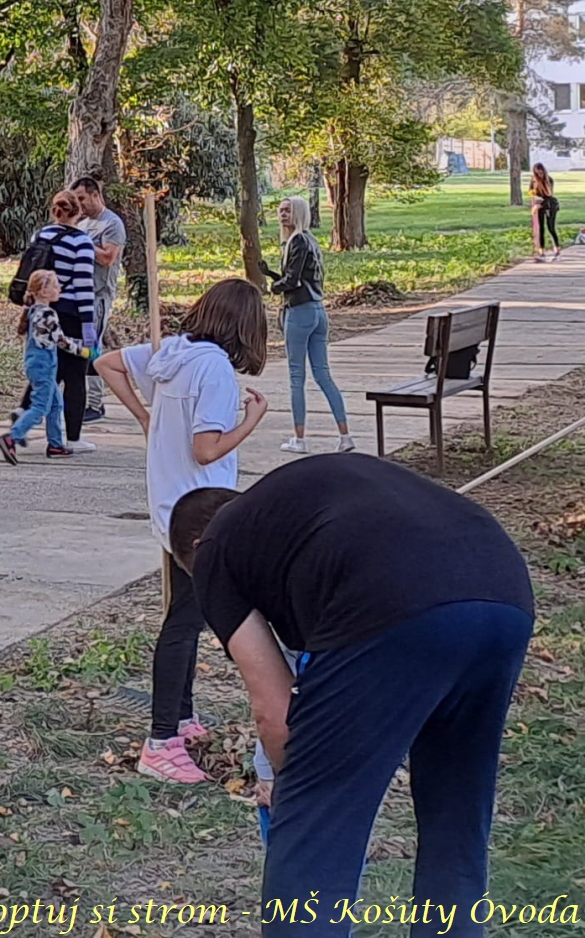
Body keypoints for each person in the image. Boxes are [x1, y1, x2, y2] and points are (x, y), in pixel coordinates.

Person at [168, 454, 534, 933]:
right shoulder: (293, 514)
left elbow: (275, 712)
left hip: (390, 596)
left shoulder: (216, 549)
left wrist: (289, 787)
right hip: (503, 586)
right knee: (456, 815)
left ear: (196, 547)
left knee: (316, 827)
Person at [95, 278, 269, 783]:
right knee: (185, 621)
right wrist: (253, 418)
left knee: (185, 613)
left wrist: (147, 417)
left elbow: (107, 363)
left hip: (171, 503)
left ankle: (184, 715)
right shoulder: (214, 370)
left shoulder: (172, 351)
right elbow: (207, 449)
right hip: (202, 511)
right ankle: (162, 740)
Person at [260, 196, 352, 456]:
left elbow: (292, 281)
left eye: (288, 210)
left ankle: (299, 439)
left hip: (299, 313)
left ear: (299, 213)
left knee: (296, 377)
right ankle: (345, 435)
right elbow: (302, 279)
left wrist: (273, 286)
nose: (283, 215)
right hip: (318, 311)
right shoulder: (311, 241)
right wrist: (272, 275)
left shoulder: (297, 241)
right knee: (323, 375)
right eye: (280, 210)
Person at [12, 191, 98, 453]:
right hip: (70, 312)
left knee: (51, 370)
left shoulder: (41, 235)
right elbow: (84, 286)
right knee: (75, 376)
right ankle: (73, 437)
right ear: (78, 212)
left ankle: (22, 412)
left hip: (41, 308)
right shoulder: (83, 242)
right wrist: (89, 326)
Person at [0, 270, 98, 464]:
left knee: (56, 405)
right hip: (44, 365)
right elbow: (61, 341)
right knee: (41, 406)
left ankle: (55, 444)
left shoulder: (34, 310)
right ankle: (12, 437)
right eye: (55, 285)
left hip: (39, 364)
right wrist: (85, 352)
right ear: (43, 290)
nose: (59, 289)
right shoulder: (48, 314)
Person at [72, 177, 127, 423]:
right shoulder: (83, 225)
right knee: (78, 349)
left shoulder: (112, 224)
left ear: (95, 194)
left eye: (82, 198)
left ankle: (95, 403)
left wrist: (83, 243)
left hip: (99, 296)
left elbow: (107, 257)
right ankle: (79, 399)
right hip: (78, 296)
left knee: (91, 348)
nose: (79, 204)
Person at [529, 163, 560, 262]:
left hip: (550, 205)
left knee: (551, 228)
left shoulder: (549, 180)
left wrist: (540, 204)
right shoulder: (533, 180)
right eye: (537, 173)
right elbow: (530, 191)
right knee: (540, 229)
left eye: (541, 172)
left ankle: (557, 250)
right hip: (539, 206)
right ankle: (541, 252)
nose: (539, 175)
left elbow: (549, 196)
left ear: (543, 171)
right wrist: (533, 197)